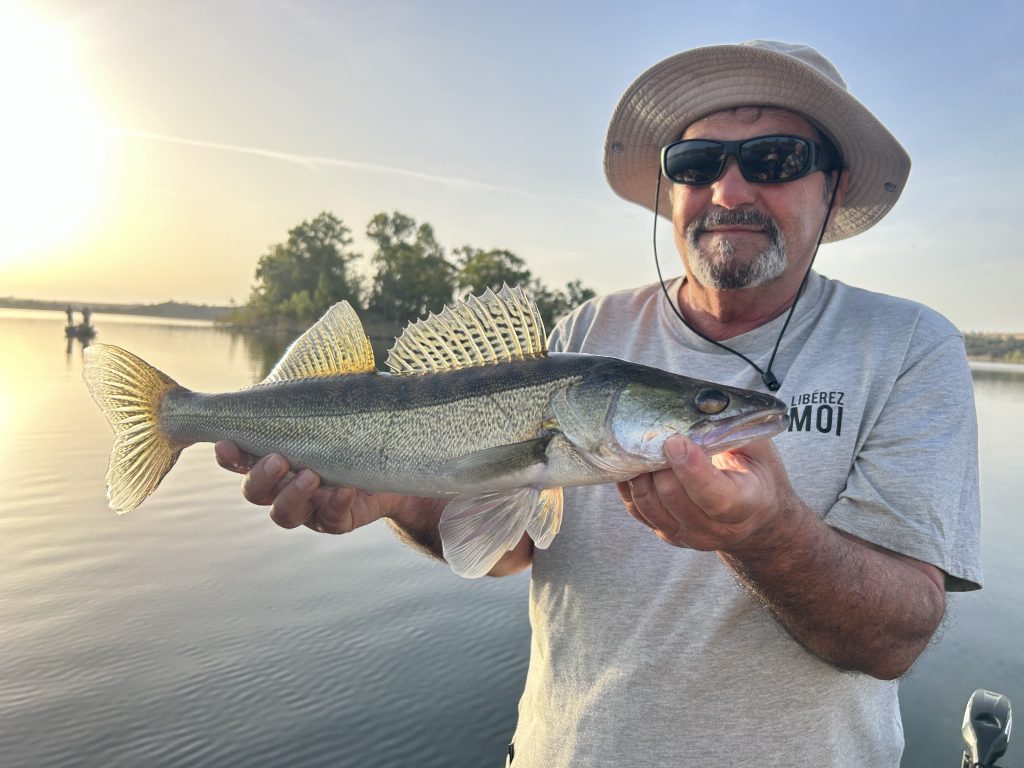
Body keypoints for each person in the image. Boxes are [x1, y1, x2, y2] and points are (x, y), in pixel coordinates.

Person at [215, 40, 982, 767]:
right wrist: (392, 495)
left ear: (834, 186)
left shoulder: (908, 348)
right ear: (670, 188)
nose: (729, 191)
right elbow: (510, 547)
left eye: (775, 160)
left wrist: (766, 533)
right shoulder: (585, 332)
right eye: (696, 163)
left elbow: (894, 639)